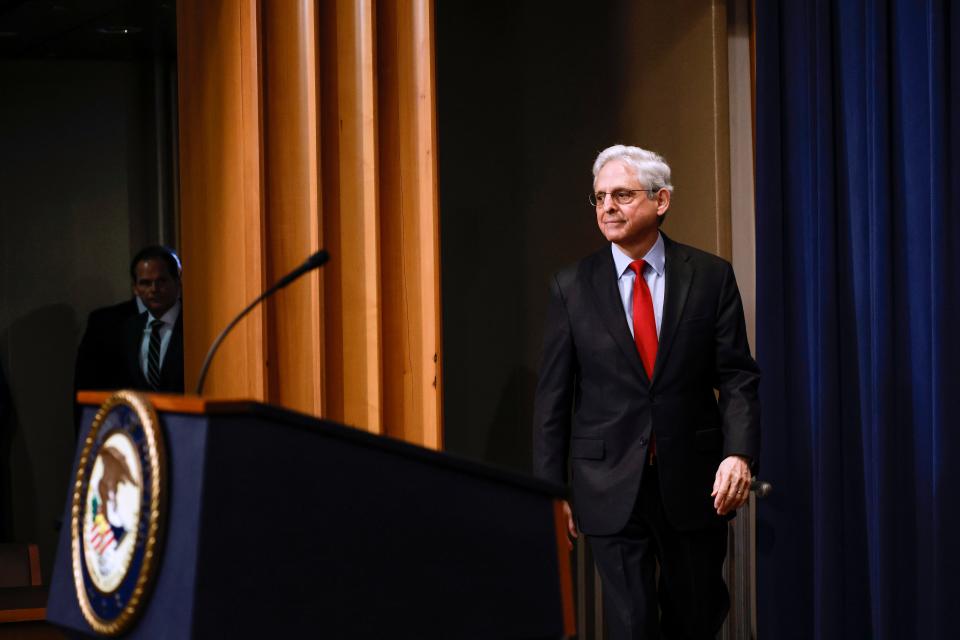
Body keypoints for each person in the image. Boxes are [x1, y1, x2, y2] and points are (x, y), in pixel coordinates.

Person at [533, 145, 760, 639]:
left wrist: (737, 453)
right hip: (607, 482)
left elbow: (738, 376)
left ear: (661, 201)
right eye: (598, 198)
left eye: (621, 194)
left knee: (696, 618)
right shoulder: (570, 286)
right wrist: (551, 493)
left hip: (694, 481)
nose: (607, 207)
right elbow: (552, 400)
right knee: (631, 625)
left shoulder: (710, 277)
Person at [74, 246, 184, 395]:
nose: (154, 289)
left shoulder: (195, 324)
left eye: (161, 281)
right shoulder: (130, 327)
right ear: (135, 288)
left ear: (177, 282)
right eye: (145, 283)